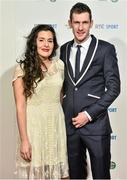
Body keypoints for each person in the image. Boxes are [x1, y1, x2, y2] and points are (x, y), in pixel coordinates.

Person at [60, 2, 120, 179]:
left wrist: (88, 114)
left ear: (91, 23)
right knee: (75, 176)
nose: (80, 27)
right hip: (70, 127)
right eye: (76, 22)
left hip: (96, 126)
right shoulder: (63, 49)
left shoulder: (105, 49)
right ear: (70, 23)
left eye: (84, 22)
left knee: (101, 176)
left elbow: (114, 88)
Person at [12, 24, 69, 180]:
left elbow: (60, 97)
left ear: (54, 44)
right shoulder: (22, 68)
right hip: (34, 129)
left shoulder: (60, 66)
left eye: (50, 41)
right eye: (41, 40)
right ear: (34, 43)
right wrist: (24, 140)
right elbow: (20, 106)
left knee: (62, 174)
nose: (46, 44)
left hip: (56, 127)